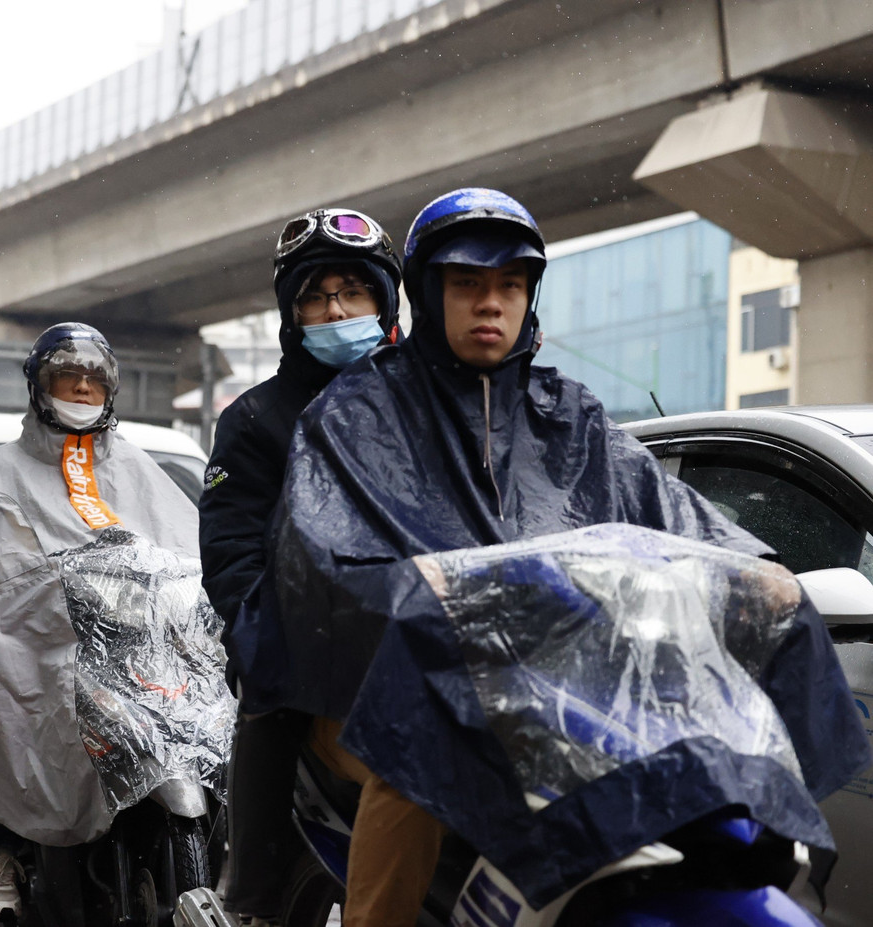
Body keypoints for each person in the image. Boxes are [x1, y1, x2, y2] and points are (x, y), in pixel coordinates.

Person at [231, 188, 792, 926]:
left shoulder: (569, 413)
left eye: (510, 283)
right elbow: (316, 548)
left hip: (542, 678)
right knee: (422, 756)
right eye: (467, 282)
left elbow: (658, 504)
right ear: (428, 295)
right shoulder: (360, 413)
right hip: (383, 685)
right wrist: (385, 599)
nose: (490, 303)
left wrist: (752, 566)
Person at [0, 323, 216, 920]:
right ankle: (0, 843)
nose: (81, 388)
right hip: (36, 636)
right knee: (8, 680)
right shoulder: (0, 467)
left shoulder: (136, 466)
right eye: (66, 377)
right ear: (39, 387)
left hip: (129, 646)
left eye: (93, 379)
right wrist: (44, 593)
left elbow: (187, 542)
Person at [197, 207, 401, 926]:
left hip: (424, 643)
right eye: (316, 298)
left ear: (386, 300)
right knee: (268, 712)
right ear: (292, 314)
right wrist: (276, 635)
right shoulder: (255, 419)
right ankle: (252, 897)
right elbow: (232, 553)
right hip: (309, 664)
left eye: (352, 292)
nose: (336, 311)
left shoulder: (429, 400)